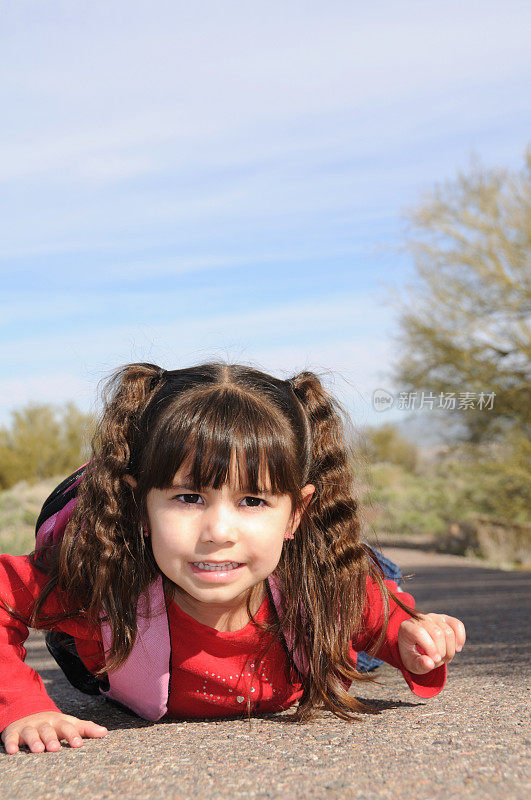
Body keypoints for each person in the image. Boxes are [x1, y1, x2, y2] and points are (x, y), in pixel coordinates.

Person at [0, 362, 466, 755]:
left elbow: (378, 616)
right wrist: (23, 704)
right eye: (188, 497)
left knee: (357, 593)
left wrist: (409, 639)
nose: (219, 533)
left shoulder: (325, 589)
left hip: (304, 583)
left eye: (253, 500)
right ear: (140, 505)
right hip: (116, 601)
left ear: (296, 512)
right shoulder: (100, 586)